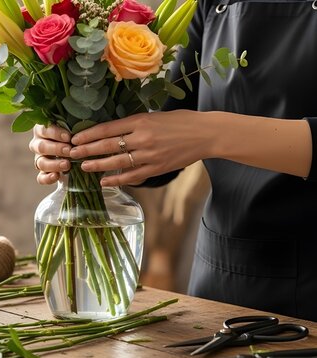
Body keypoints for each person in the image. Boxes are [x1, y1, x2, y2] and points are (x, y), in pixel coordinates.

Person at [29, 0, 317, 321]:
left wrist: (210, 133)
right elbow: (166, 128)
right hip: (220, 283)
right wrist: (80, 138)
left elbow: (192, 131)